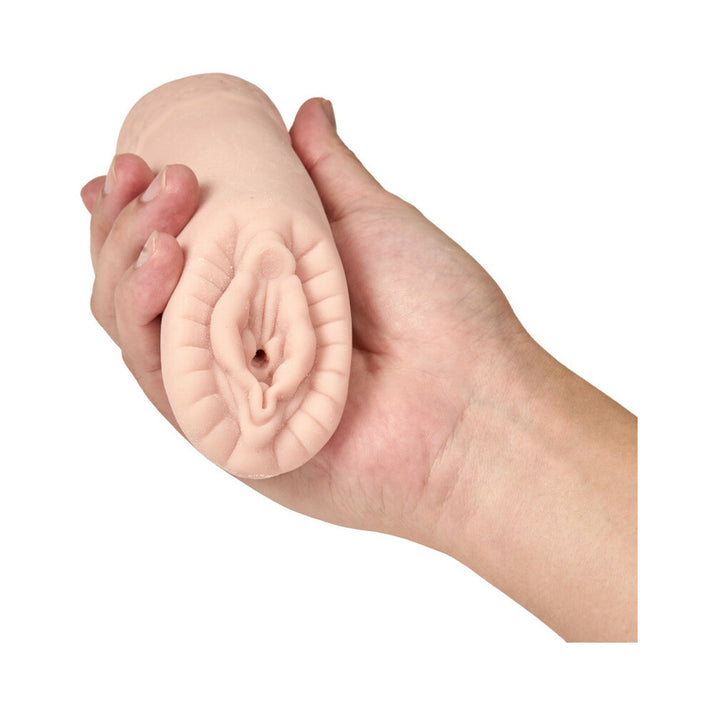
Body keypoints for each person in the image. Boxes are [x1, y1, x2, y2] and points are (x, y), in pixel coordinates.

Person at [81, 98, 637, 642]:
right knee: (230, 312)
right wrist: (463, 446)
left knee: (251, 317)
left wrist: (464, 444)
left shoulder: (282, 289)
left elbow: (290, 331)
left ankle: (259, 385)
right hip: (260, 326)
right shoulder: (269, 287)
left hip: (268, 328)